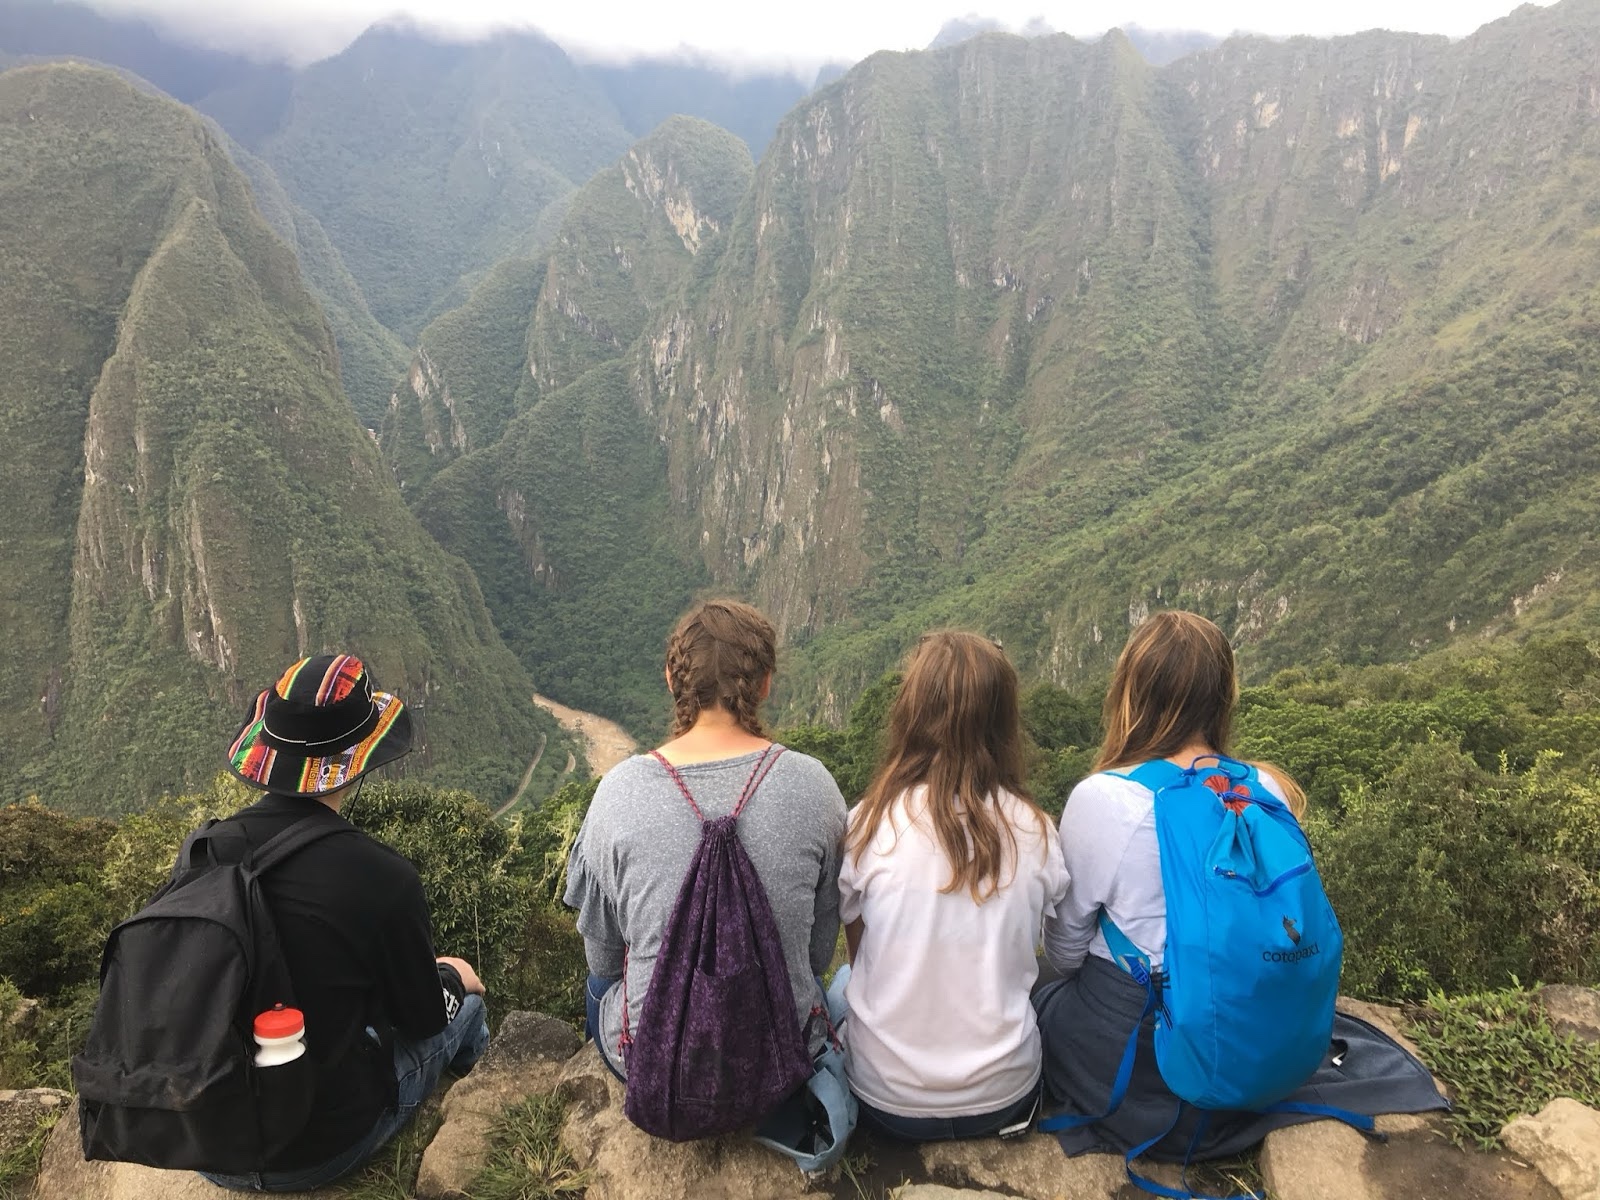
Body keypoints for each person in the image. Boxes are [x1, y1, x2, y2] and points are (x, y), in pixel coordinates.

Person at [1034, 611, 1445, 1161]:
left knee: (1039, 991)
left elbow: (1065, 953)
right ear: (1222, 697)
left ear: (1131, 694)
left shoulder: (1103, 799)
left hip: (1155, 1066)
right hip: (1265, 1043)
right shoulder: (1263, 787)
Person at [202, 653, 489, 1191]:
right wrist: (453, 976)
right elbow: (425, 1021)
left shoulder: (204, 851)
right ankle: (481, 1098)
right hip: (321, 1148)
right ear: (356, 759)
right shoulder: (382, 877)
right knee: (468, 1006)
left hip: (207, 1142)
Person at [563, 599, 848, 1093]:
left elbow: (604, 964)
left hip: (660, 1069)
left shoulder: (618, 791)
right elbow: (818, 955)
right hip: (781, 1057)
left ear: (671, 681)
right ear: (764, 684)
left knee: (599, 988)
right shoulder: (815, 786)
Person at [835, 631, 1069, 1141]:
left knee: (839, 987)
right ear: (1003, 723)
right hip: (1005, 1098)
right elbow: (1055, 949)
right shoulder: (1035, 830)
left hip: (884, 1099)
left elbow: (858, 949)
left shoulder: (869, 824)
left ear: (911, 713)